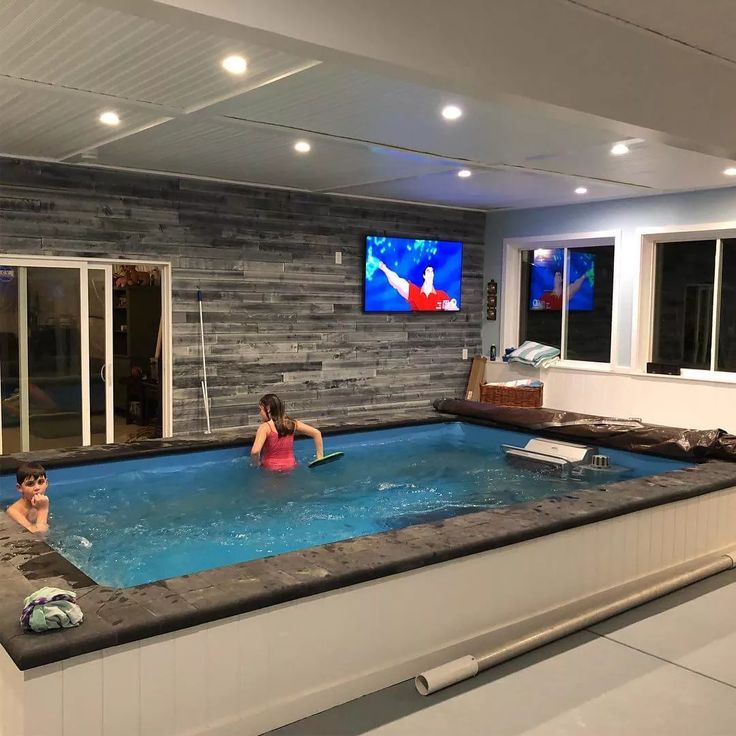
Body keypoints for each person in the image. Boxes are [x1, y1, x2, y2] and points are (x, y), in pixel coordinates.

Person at [250, 394, 323, 471]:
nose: (260, 413)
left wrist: (256, 465)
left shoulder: (265, 427)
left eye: (260, 410)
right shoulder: (292, 423)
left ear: (268, 409)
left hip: (271, 469)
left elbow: (255, 451)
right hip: (290, 466)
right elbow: (317, 433)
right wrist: (320, 457)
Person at [377, 261, 459, 311]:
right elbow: (397, 281)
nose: (431, 273)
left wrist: (452, 308)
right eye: (428, 271)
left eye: (432, 271)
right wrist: (384, 268)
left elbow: (452, 310)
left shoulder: (442, 295)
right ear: (424, 275)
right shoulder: (415, 292)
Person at [7, 462, 50, 533]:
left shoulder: (41, 502)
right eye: (30, 484)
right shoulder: (13, 512)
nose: (37, 488)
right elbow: (38, 536)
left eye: (40, 482)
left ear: (46, 483)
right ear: (19, 488)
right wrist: (43, 510)